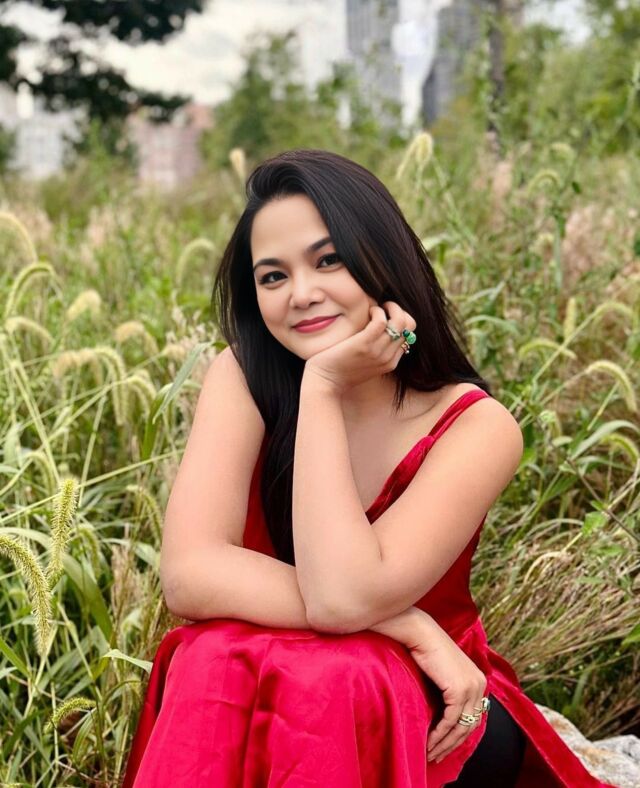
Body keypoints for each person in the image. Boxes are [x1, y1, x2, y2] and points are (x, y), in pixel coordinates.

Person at [122, 149, 614, 787]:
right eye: (272, 277)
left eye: (329, 260)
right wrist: (408, 622)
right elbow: (189, 574)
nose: (302, 294)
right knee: (209, 654)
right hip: (311, 667)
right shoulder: (242, 376)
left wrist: (324, 386)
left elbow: (343, 597)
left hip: (430, 702)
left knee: (339, 673)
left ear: (383, 259)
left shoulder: (475, 426)